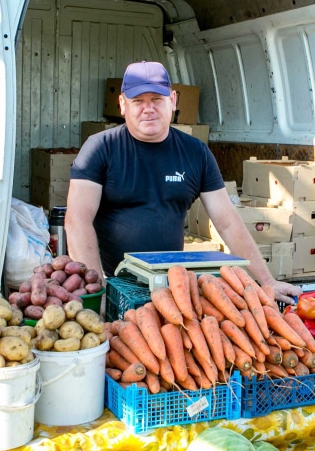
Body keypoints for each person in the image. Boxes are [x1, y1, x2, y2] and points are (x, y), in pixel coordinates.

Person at [66, 61, 302, 303]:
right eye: (138, 101)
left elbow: (228, 222)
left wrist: (267, 282)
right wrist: (98, 290)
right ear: (122, 105)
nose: (148, 109)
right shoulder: (100, 148)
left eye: (157, 99)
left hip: (172, 286)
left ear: (174, 100)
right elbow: (77, 221)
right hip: (111, 282)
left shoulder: (195, 153)